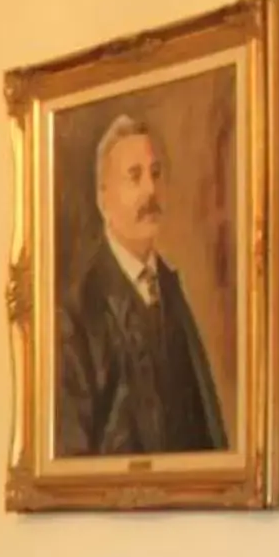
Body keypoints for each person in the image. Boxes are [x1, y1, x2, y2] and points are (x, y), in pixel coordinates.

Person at [54, 113, 229, 456]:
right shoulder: (76, 312)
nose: (151, 189)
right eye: (134, 177)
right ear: (104, 200)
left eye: (156, 174)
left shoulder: (170, 290)